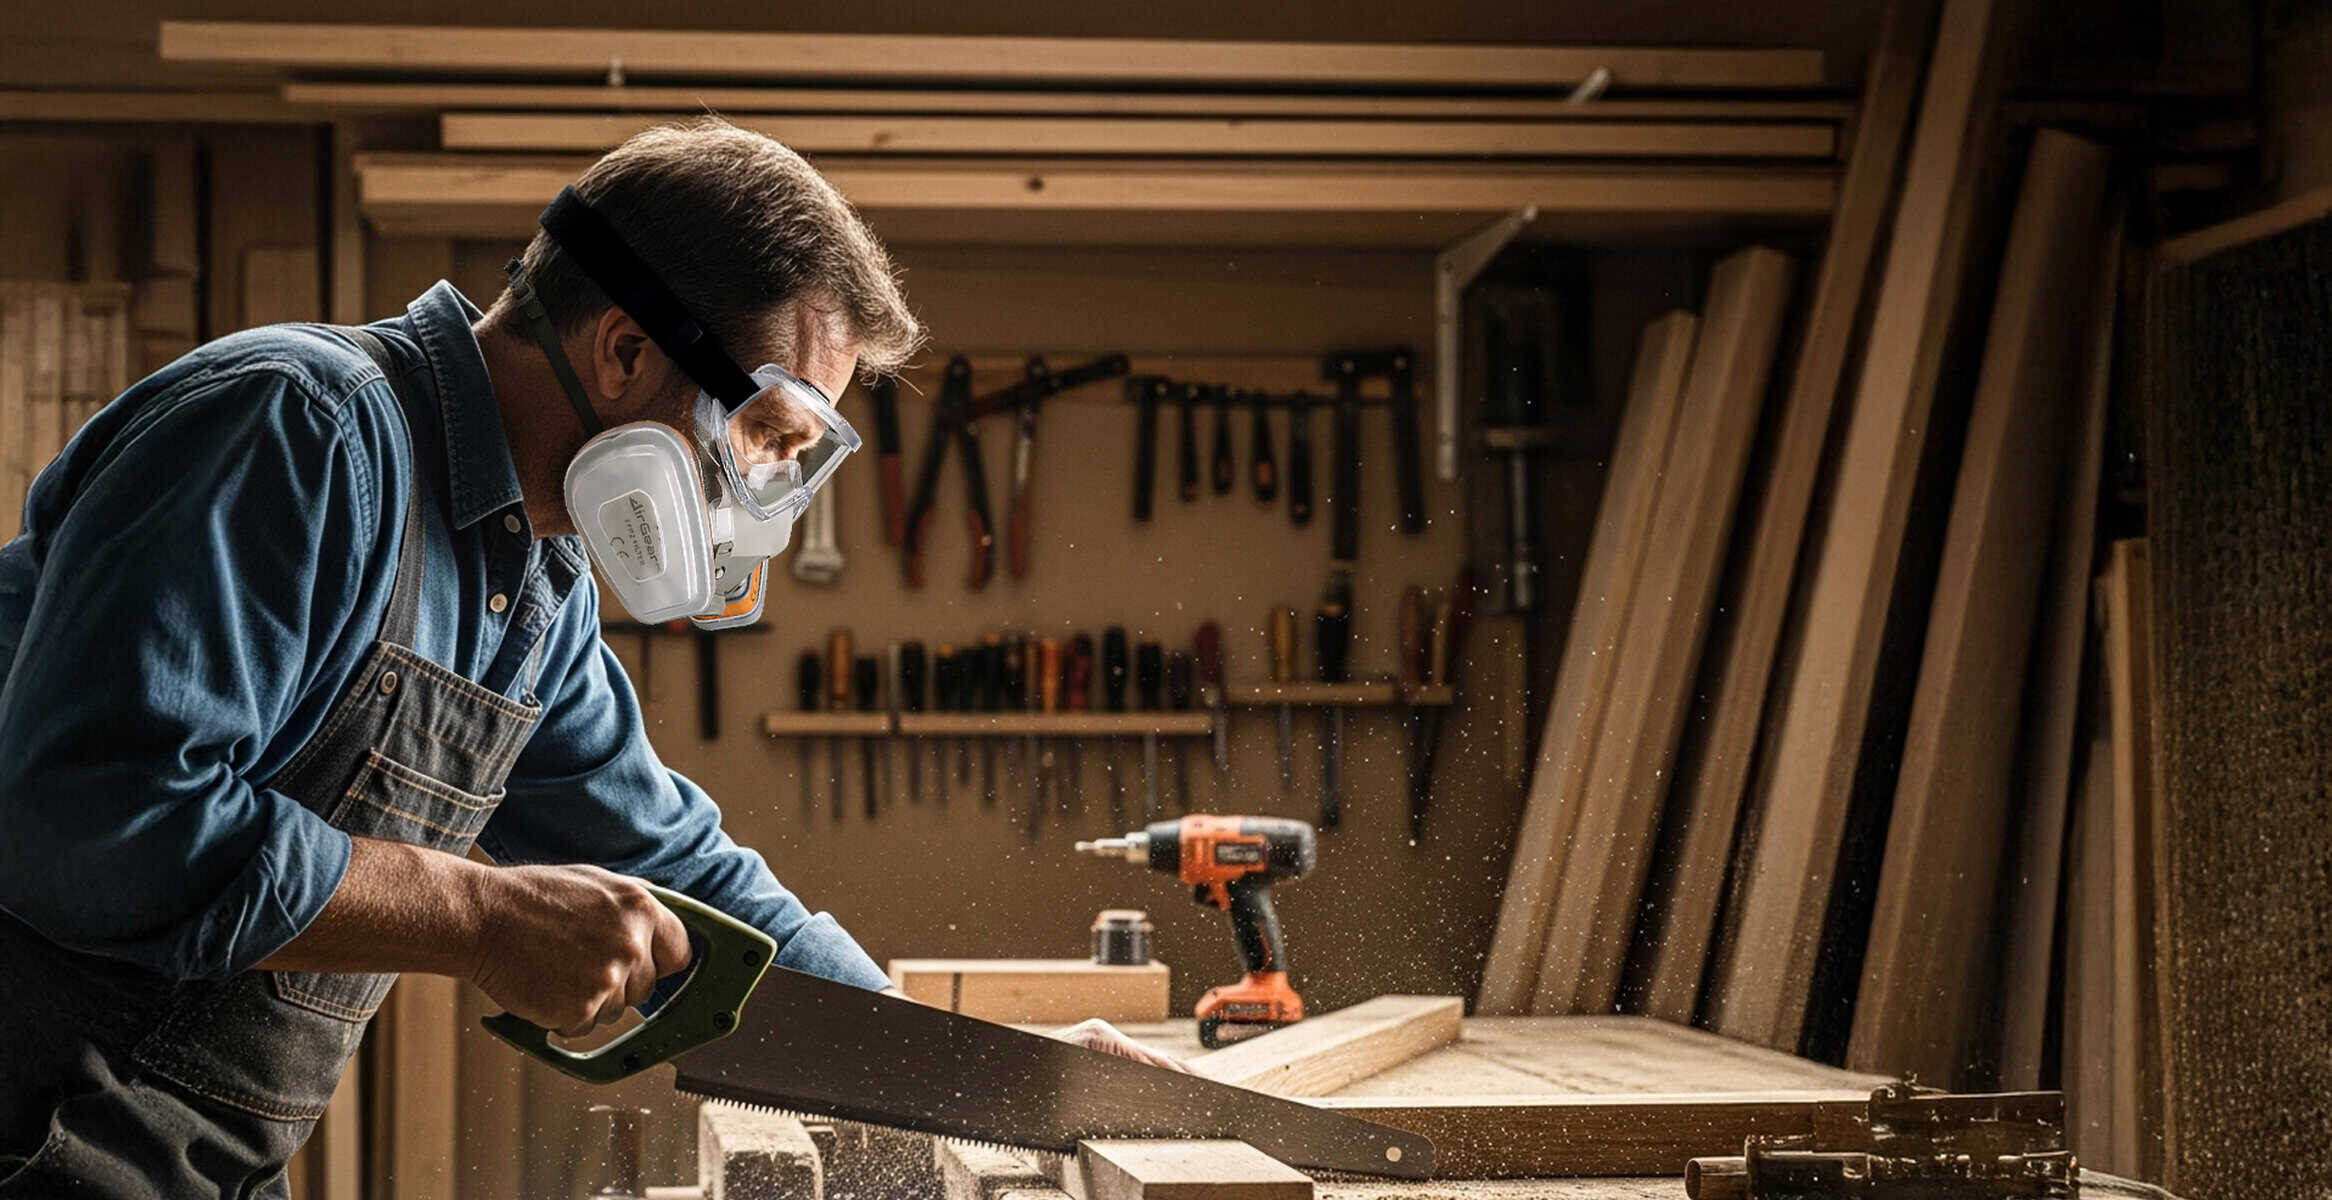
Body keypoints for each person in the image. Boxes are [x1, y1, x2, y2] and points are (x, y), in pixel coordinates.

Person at [0, 118, 1174, 1199]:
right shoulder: (299, 433)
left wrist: (990, 1076)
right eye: (764, 433)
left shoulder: (536, 579)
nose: (758, 486)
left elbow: (674, 866)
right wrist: (477, 915)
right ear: (622, 351)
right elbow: (94, 820)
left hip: (177, 1159)